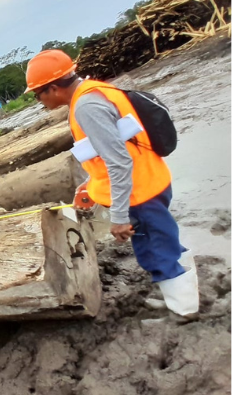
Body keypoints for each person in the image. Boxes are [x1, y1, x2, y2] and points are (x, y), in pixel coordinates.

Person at [24, 49, 199, 318]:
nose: (40, 101)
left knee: (156, 251)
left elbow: (119, 163)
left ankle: (184, 311)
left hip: (139, 194)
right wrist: (90, 184)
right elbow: (110, 152)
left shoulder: (87, 108)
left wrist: (118, 217)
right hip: (151, 180)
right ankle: (180, 295)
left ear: (54, 88)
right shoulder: (94, 91)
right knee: (163, 241)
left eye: (38, 95)